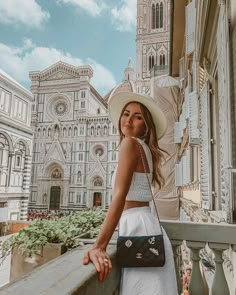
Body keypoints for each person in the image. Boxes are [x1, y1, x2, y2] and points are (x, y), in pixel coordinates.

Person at [83, 91, 178, 294]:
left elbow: (120, 195)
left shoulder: (130, 144)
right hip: (147, 227)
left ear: (146, 126)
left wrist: (99, 246)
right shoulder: (144, 149)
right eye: (126, 114)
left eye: (138, 116)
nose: (129, 120)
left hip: (137, 229)